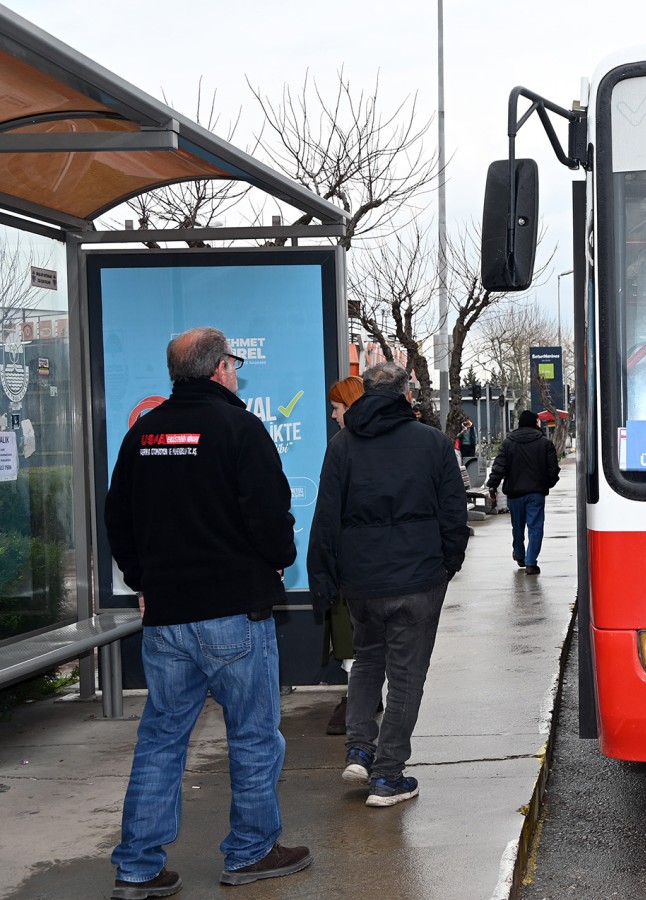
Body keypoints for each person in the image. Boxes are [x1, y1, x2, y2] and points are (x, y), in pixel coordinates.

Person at [104, 326, 310, 898]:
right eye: (234, 363)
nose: (236, 371)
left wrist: (144, 580)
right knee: (252, 735)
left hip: (166, 619)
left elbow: (118, 518)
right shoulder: (239, 427)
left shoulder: (142, 435)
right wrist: (277, 560)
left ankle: (138, 867)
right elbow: (270, 513)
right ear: (221, 368)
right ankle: (250, 852)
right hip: (234, 615)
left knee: (162, 739)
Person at [308, 362, 470, 808]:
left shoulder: (342, 445)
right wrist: (447, 565)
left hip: (362, 583)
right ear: (406, 395)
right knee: (406, 678)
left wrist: (325, 578)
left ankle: (360, 749)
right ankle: (388, 776)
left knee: (366, 661)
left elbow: (326, 518)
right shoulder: (432, 442)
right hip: (419, 579)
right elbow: (453, 512)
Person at [320, 376, 365, 735]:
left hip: (354, 565)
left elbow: (330, 513)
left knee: (352, 632)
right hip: (388, 566)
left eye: (337, 408)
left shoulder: (343, 447)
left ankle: (357, 702)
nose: (334, 416)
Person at [487, 410, 560, 575]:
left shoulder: (508, 443)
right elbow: (552, 469)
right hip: (536, 493)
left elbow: (499, 467)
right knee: (535, 526)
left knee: (517, 527)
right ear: (534, 423)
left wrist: (493, 486)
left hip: (514, 493)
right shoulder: (545, 443)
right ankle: (531, 562)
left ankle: (520, 555)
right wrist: (546, 484)